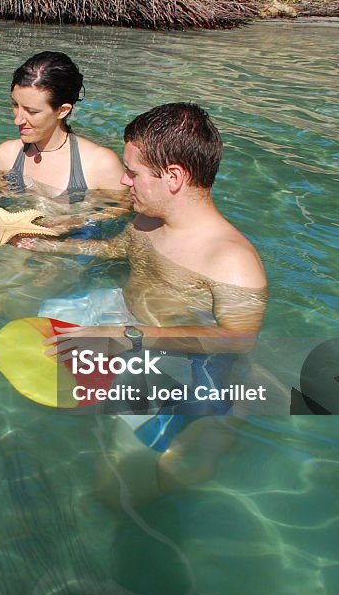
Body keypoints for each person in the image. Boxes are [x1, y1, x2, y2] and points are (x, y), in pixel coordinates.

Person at [38, 103, 268, 505]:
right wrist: (41, 244)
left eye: (134, 173)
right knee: (40, 324)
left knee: (115, 491)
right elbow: (115, 249)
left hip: (168, 351)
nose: (125, 182)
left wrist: (127, 337)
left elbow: (237, 340)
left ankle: (222, 423)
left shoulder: (230, 260)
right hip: (122, 315)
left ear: (174, 177)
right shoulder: (147, 219)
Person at [0, 52, 126, 199]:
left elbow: (119, 213)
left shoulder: (101, 164)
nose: (17, 120)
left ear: (63, 111)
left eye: (31, 111)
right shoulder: (6, 155)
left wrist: (71, 219)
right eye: (15, 105)